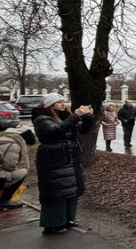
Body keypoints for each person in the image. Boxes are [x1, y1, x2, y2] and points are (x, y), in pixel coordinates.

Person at [33, 93, 94, 235]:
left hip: (69, 157)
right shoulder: (42, 119)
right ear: (50, 105)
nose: (62, 104)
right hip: (54, 158)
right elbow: (56, 132)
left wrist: (88, 117)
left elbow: (81, 129)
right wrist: (75, 116)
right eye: (58, 102)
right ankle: (53, 222)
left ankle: (68, 219)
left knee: (70, 189)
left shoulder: (64, 116)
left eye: (62, 101)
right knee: (57, 190)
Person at [0, 128, 36, 211]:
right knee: (22, 172)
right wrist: (18, 167)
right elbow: (9, 165)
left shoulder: (3, 142)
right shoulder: (14, 146)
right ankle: (4, 200)